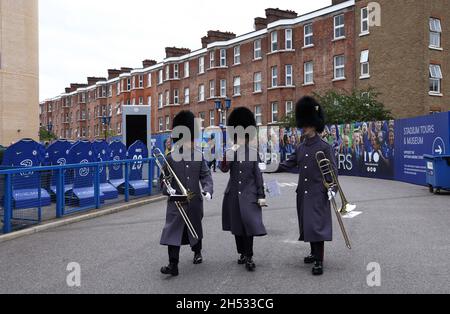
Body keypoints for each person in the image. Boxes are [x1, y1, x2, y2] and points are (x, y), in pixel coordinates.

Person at [276, 96, 337, 276]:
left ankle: (319, 260)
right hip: (303, 193)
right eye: (303, 124)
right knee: (308, 225)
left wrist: (332, 189)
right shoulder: (302, 147)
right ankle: (313, 252)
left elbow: (332, 170)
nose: (303, 127)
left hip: (318, 192)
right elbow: (290, 162)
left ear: (313, 124)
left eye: (306, 124)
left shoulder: (324, 147)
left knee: (317, 226)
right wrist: (271, 169)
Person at [160, 111, 214, 277]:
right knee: (172, 231)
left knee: (195, 229)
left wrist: (207, 190)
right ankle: (173, 264)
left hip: (194, 201)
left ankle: (197, 252)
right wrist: (166, 188)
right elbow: (163, 180)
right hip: (176, 202)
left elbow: (206, 175)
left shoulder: (199, 156)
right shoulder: (170, 158)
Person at [220, 107, 267, 272]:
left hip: (249, 195)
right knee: (237, 227)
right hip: (233, 194)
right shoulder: (231, 152)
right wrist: (230, 151)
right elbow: (223, 168)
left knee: (249, 226)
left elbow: (258, 175)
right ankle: (241, 252)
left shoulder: (253, 153)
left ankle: (249, 256)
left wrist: (261, 194)